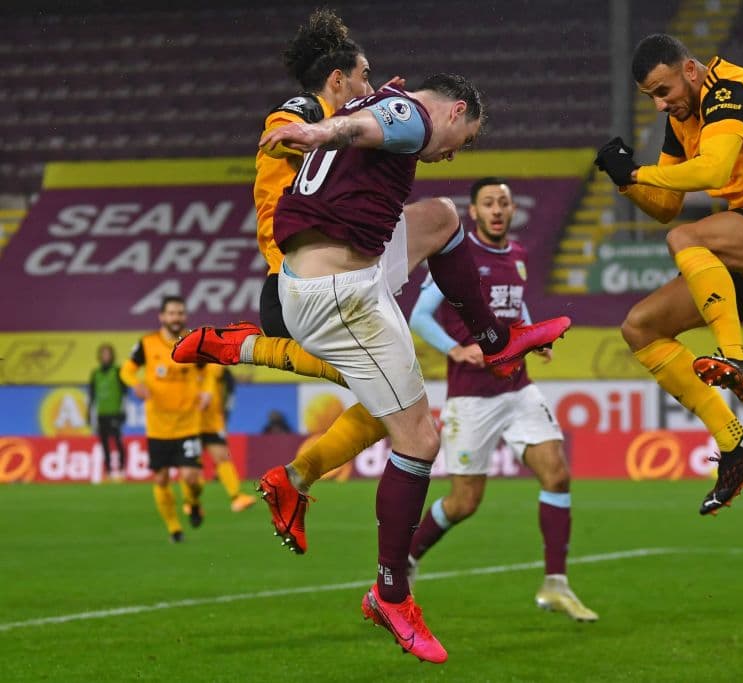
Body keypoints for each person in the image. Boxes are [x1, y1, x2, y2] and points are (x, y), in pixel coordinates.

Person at [171, 10, 556, 560]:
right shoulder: (305, 111)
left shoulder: (360, 113)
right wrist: (331, 127)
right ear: (338, 80)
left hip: (348, 255)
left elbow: (367, 131)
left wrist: (374, 114)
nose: (371, 85)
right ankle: (247, 351)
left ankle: (294, 475)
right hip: (303, 265)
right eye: (364, 76)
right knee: (401, 416)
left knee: (393, 398)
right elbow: (324, 137)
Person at [252, 74, 571, 664]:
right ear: (454, 111)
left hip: (335, 267)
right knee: (419, 440)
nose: (452, 155)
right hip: (338, 295)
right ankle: (390, 594)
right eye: (463, 140)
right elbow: (362, 127)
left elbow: (370, 119)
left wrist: (348, 117)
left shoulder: (389, 103)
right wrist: (320, 131)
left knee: (443, 217)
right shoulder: (413, 117)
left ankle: (495, 340)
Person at [594, 34, 743, 515]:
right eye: (650, 97)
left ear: (690, 70)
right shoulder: (680, 119)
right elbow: (666, 206)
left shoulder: (728, 89)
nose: (660, 104)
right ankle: (736, 446)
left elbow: (712, 171)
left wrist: (639, 172)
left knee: (687, 238)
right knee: (641, 327)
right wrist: (625, 181)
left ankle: (735, 359)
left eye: (663, 91)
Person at [407, 177, 597, 622]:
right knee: (464, 503)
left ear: (512, 211)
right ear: (473, 212)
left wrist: (531, 337)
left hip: (518, 388)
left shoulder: (519, 256)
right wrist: (455, 349)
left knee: (557, 475)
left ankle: (556, 584)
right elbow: (419, 315)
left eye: (503, 203)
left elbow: (516, 308)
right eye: (488, 203)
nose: (496, 209)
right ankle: (406, 559)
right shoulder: (457, 256)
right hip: (472, 397)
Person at [120, 296, 212, 542]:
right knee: (160, 478)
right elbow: (126, 371)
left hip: (188, 423)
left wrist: (207, 391)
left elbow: (209, 371)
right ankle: (174, 528)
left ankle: (193, 502)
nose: (176, 317)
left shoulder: (194, 342)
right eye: (171, 313)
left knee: (191, 478)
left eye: (180, 313)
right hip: (158, 426)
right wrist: (136, 384)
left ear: (185, 316)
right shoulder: (147, 344)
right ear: (162, 316)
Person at [197, 365, 256, 514]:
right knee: (191, 464)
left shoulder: (216, 367)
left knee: (222, 456)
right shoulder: (183, 366)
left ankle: (237, 497)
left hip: (212, 423)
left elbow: (229, 388)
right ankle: (192, 503)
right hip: (189, 423)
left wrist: (225, 413)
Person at [88, 343, 127, 481]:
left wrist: (123, 410)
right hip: (101, 413)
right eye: (103, 354)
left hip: (115, 412)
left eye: (108, 354)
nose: (105, 357)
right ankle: (109, 471)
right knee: (104, 443)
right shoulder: (95, 373)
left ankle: (122, 469)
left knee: (117, 441)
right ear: (99, 356)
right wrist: (89, 413)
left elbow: (125, 393)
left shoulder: (117, 371)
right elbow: (92, 395)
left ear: (112, 356)